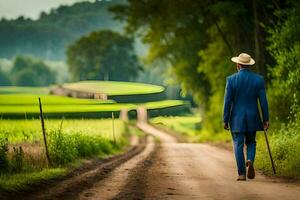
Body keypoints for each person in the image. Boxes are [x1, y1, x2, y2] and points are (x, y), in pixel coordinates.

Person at [223, 53, 269, 181]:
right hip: (253, 117)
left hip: (236, 119)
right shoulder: (258, 80)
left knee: (238, 144)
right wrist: (266, 119)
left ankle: (242, 173)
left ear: (238, 65)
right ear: (248, 65)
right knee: (251, 142)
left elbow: (227, 102)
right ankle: (250, 159)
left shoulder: (231, 80)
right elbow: (263, 102)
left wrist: (225, 119)